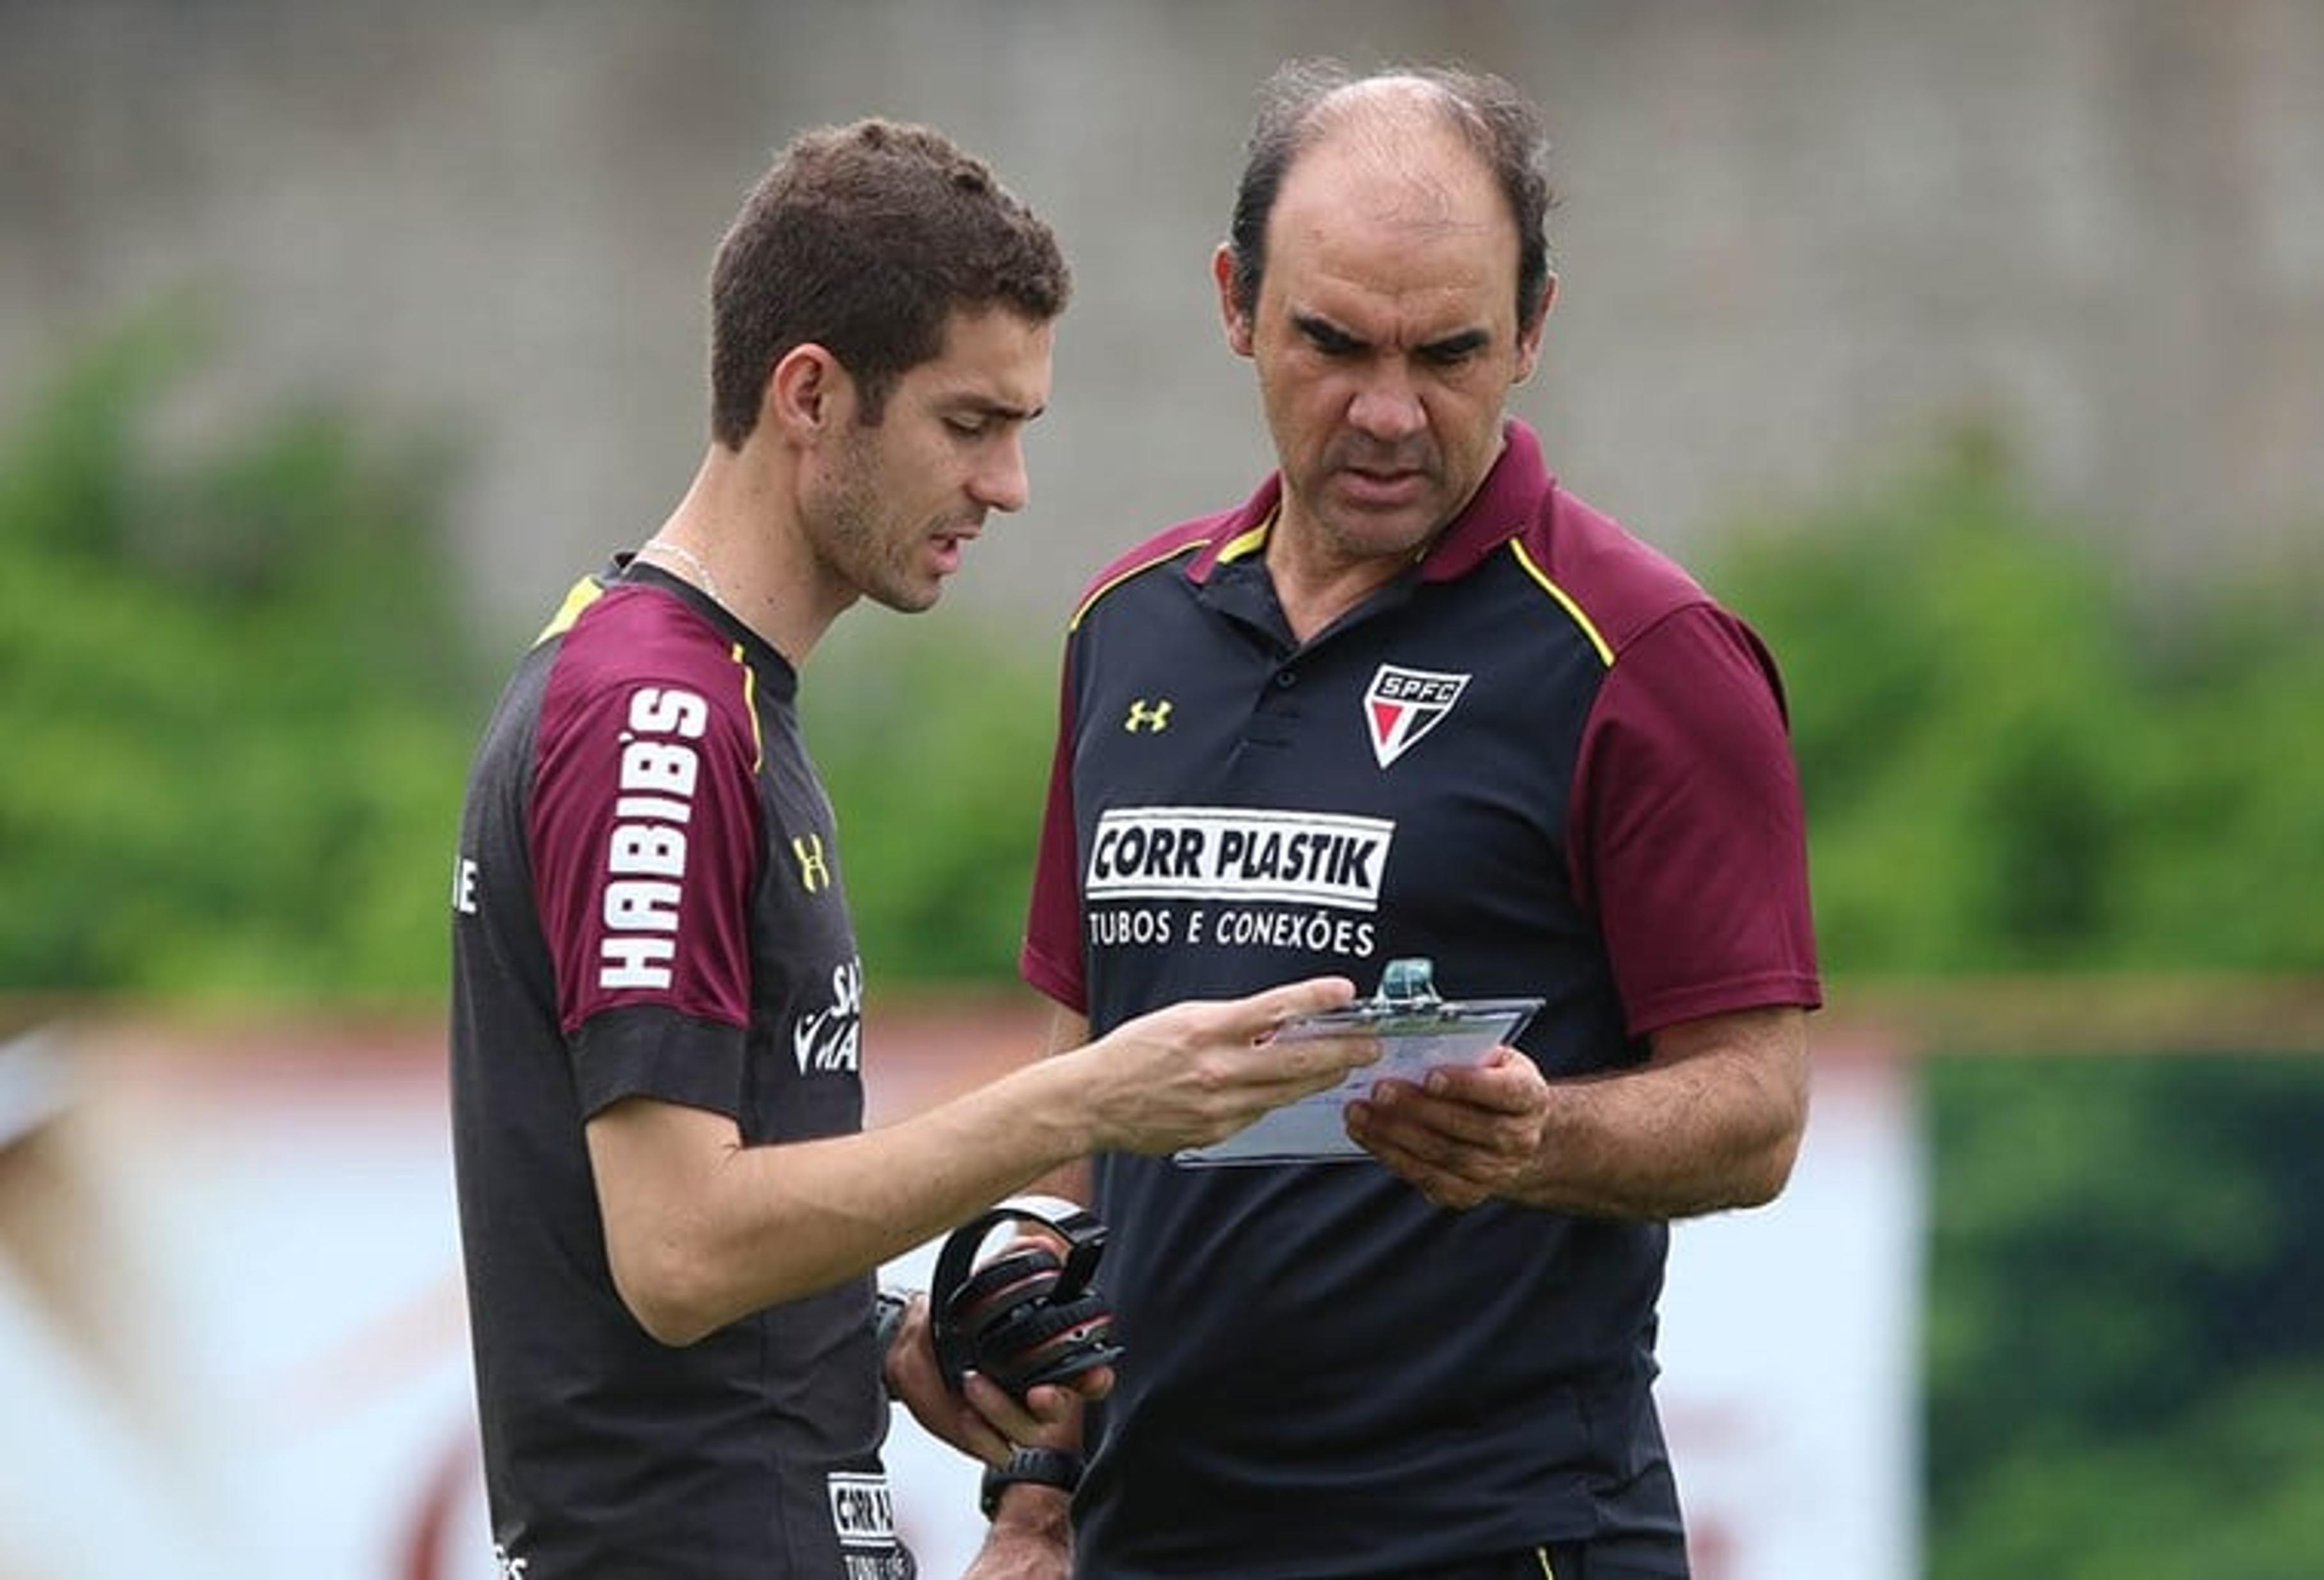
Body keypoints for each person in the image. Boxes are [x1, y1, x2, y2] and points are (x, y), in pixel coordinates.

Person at [445, 119, 1378, 1580]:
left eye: (1020, 430)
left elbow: (687, 1211)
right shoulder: (660, 719)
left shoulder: (713, 693)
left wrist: (876, 1333)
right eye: (968, 424)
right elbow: (677, 1251)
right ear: (810, 394)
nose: (1007, 485)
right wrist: (1089, 1098)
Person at [996, 61, 1823, 1579]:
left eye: (1447, 351)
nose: (1387, 413)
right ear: (1236, 301)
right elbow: (1082, 1101)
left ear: (1534, 329)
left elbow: (1757, 1109)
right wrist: (1040, 1501)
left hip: (1491, 1541)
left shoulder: (1648, 656)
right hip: (1149, 1545)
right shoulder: (1126, 626)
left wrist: (1538, 1137)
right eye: (1332, 342)